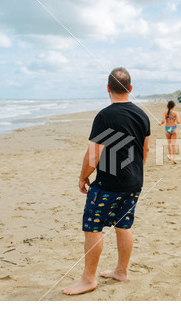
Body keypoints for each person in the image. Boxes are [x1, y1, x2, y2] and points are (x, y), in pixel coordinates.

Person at [62, 67, 150, 295]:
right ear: (130, 89)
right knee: (124, 224)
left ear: (108, 89)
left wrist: (83, 177)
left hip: (109, 184)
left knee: (93, 227)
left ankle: (88, 279)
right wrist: (134, 172)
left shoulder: (105, 116)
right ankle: (121, 271)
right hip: (134, 182)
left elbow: (93, 155)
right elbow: (145, 150)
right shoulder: (142, 115)